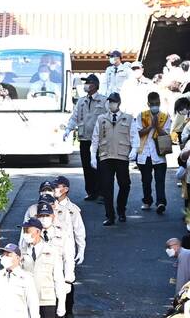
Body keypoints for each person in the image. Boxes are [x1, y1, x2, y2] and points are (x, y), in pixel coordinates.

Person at [20, 213, 69, 318]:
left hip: (47, 299)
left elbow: (58, 278)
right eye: (25, 231)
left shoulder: (51, 251)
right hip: (27, 300)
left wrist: (61, 302)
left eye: (29, 231)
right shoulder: (22, 252)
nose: (26, 234)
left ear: (38, 232)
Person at [90, 92, 133, 225]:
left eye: (114, 102)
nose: (111, 104)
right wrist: (93, 156)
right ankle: (110, 216)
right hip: (106, 156)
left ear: (119, 103)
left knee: (125, 184)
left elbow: (134, 136)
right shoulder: (101, 119)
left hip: (121, 156)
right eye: (110, 102)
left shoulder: (128, 118)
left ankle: (121, 209)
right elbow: (95, 138)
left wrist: (135, 151)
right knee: (106, 187)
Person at [64, 75, 107, 201]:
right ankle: (91, 192)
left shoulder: (103, 101)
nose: (86, 85)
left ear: (95, 85)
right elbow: (74, 117)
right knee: (87, 167)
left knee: (100, 167)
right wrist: (68, 129)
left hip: (99, 141)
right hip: (84, 139)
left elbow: (108, 119)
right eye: (86, 83)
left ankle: (102, 193)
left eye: (89, 82)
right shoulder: (81, 101)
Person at [131, 91, 172, 214]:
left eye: (157, 103)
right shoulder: (141, 116)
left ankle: (161, 203)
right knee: (146, 179)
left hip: (159, 153)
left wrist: (157, 126)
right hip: (144, 153)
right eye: (153, 103)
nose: (155, 105)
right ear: (148, 104)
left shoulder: (165, 117)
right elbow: (137, 133)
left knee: (160, 180)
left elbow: (166, 135)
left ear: (160, 103)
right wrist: (150, 126)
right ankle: (147, 200)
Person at [52, 175, 86, 318]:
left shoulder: (73, 209)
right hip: (52, 246)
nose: (55, 189)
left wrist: (81, 249)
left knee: (68, 279)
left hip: (67, 248)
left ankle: (69, 308)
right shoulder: (49, 205)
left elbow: (79, 230)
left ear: (66, 189)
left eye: (58, 186)